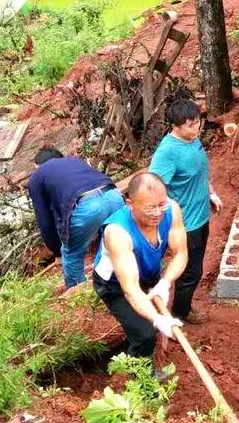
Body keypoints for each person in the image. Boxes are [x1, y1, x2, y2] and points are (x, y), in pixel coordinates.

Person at [91, 173, 187, 378]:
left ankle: (138, 353)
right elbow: (131, 288)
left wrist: (166, 283)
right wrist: (157, 319)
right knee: (145, 334)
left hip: (147, 273)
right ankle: (138, 379)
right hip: (114, 284)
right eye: (149, 208)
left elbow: (180, 253)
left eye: (161, 204)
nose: (157, 213)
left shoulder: (171, 210)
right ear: (130, 204)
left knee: (146, 322)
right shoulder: (117, 232)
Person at [148, 99, 222, 324]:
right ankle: (180, 313)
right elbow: (154, 188)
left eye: (198, 122)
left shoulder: (193, 141)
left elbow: (200, 171)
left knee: (194, 266)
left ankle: (180, 306)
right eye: (191, 125)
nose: (197, 128)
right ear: (176, 126)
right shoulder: (167, 152)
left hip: (201, 216)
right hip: (186, 223)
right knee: (190, 271)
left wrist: (211, 193)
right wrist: (170, 213)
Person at [28, 147, 125, 290]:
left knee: (72, 254)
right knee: (117, 242)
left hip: (87, 206)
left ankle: (78, 293)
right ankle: (125, 280)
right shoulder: (74, 161)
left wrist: (57, 251)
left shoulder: (37, 176)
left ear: (38, 166)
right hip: (114, 195)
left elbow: (45, 221)